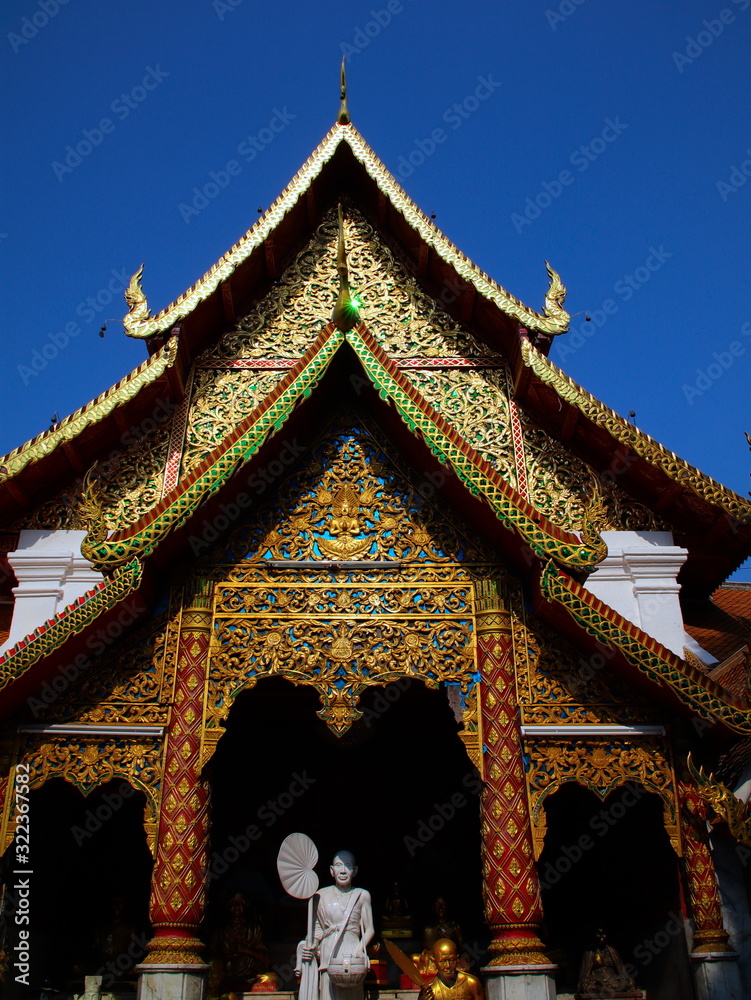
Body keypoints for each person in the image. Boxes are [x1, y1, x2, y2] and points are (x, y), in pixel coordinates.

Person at [298, 851, 374, 1000]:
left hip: (352, 954)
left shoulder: (362, 895)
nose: (343, 870)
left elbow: (370, 929)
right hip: (328, 954)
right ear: (332, 871)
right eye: (339, 866)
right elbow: (316, 931)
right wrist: (310, 947)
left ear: (355, 871)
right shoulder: (320, 896)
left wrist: (359, 949)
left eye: (348, 866)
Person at [576, 929, 637, 997]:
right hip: (596, 980)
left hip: (612, 979)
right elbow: (584, 974)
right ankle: (602, 989)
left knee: (630, 983)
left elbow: (622, 970)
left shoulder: (612, 951)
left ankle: (607, 989)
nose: (601, 937)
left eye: (603, 935)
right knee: (586, 986)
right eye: (599, 935)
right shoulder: (589, 953)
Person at [418, 939, 484, 1000]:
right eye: (443, 961)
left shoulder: (471, 983)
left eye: (451, 960)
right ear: (434, 961)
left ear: (457, 959)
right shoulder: (431, 990)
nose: (448, 966)